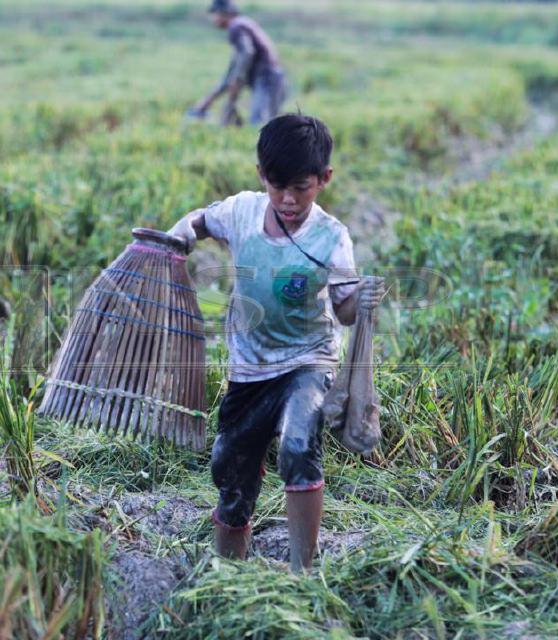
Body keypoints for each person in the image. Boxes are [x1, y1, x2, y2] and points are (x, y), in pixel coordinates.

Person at [167, 114, 385, 572]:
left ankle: (303, 571)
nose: (288, 200)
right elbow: (201, 220)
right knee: (230, 473)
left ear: (324, 180)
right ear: (262, 176)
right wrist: (183, 232)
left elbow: (344, 310)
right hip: (249, 369)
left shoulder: (331, 237)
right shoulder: (243, 211)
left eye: (301, 188)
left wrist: (359, 300)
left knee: (297, 443)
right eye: (277, 186)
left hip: (309, 359)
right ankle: (229, 575)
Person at [189, 0, 287, 127]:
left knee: (259, 122)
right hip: (270, 77)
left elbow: (247, 53)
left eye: (214, 13)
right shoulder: (242, 24)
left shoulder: (236, 26)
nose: (213, 18)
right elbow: (231, 73)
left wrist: (238, 79)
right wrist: (205, 103)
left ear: (225, 13)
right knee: (265, 121)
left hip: (267, 78)